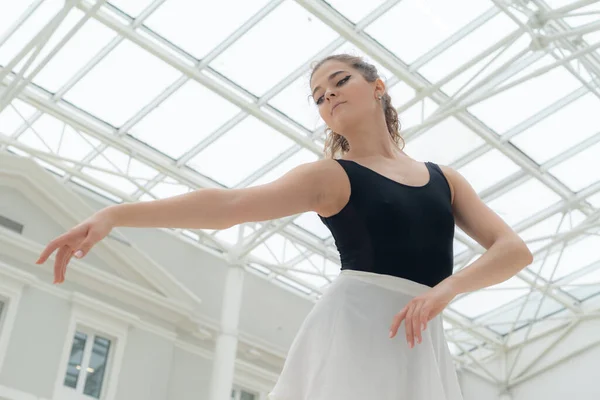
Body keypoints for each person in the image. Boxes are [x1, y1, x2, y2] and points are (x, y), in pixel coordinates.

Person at [36, 54, 533, 399]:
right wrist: (115, 214)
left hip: (422, 333)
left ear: (377, 88)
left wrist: (446, 291)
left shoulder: (445, 180)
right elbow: (228, 206)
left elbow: (513, 250)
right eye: (318, 96)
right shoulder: (330, 177)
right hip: (357, 328)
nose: (329, 96)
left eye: (340, 81)